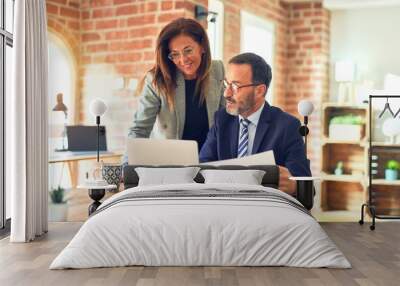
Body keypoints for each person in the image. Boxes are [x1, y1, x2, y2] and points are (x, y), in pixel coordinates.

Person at [199, 52, 311, 186]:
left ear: (259, 91)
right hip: (226, 203)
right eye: (226, 83)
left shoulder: (287, 126)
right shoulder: (222, 120)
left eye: (235, 86)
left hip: (265, 205)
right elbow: (203, 169)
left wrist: (294, 186)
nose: (226, 93)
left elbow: (306, 187)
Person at [124, 18, 224, 164]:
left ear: (202, 47)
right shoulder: (157, 80)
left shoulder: (217, 70)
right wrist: (126, 165)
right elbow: (140, 128)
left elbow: (224, 121)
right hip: (170, 164)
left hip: (209, 162)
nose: (183, 60)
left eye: (188, 50)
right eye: (175, 54)